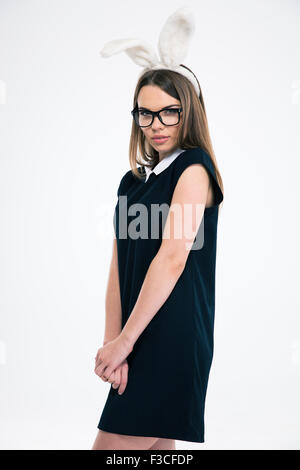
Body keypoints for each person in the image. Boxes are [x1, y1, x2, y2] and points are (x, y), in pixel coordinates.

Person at [91, 64, 224, 450]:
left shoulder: (194, 168)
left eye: (169, 111)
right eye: (145, 113)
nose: (156, 123)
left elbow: (172, 258)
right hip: (134, 338)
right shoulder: (131, 183)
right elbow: (118, 268)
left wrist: (125, 342)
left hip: (172, 338)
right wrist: (112, 344)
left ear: (188, 112)